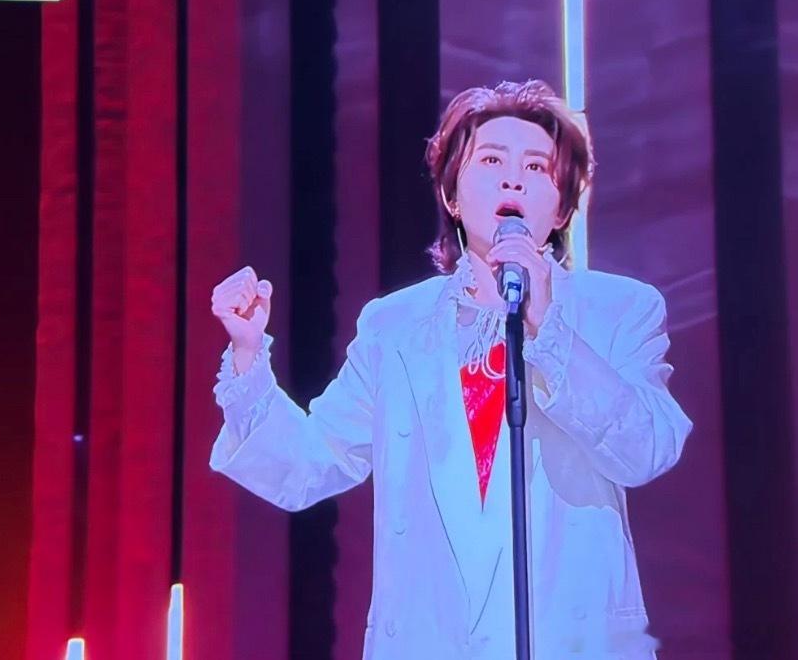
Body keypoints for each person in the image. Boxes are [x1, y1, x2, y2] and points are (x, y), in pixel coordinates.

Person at [208, 79, 692, 659]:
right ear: (452, 195)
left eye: (536, 167)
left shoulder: (620, 310)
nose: (513, 179)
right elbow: (310, 464)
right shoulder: (394, 326)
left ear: (562, 206)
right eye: (491, 160)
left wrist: (550, 328)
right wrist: (247, 353)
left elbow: (647, 449)